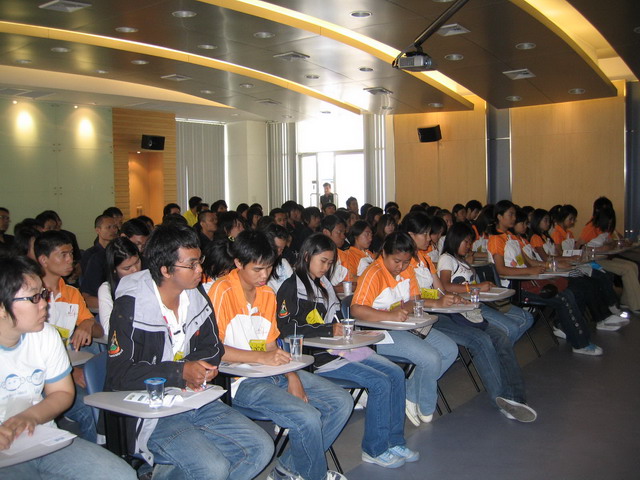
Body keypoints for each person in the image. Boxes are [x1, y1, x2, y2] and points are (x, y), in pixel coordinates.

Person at [105, 224, 273, 479]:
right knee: (212, 467)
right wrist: (180, 371)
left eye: (199, 261)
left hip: (193, 398)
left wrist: (198, 368)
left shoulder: (195, 295)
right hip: (151, 411)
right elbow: (119, 374)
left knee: (260, 447)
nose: (200, 270)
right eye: (192, 265)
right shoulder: (131, 306)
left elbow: (213, 347)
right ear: (165, 270)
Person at [207, 230, 352, 480]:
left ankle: (289, 469)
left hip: (272, 370)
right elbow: (214, 351)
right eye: (257, 269)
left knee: (341, 402)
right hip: (238, 381)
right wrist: (262, 358)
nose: (265, 275)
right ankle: (314, 475)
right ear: (238, 263)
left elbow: (271, 345)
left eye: (269, 267)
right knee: (307, 417)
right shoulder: (222, 291)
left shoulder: (266, 294)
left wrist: (292, 376)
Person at [277, 233, 416, 469]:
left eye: (330, 262)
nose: (326, 267)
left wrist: (354, 332)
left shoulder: (323, 284)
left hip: (339, 349)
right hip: (315, 359)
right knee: (380, 382)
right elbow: (285, 329)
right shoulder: (291, 287)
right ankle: (374, 449)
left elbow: (337, 319)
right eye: (323, 261)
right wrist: (329, 330)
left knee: (395, 373)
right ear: (307, 256)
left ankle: (394, 441)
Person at [0, 256, 137, 480]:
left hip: (40, 437)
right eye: (34, 298)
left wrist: (31, 417)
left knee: (122, 475)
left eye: (43, 294)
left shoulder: (45, 335)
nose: (44, 304)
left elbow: (62, 393)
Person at [350, 232, 458, 425]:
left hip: (405, 326)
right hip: (378, 333)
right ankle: (425, 404)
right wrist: (390, 315)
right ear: (384, 254)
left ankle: (409, 392)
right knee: (431, 358)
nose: (401, 267)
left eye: (406, 262)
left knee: (450, 350)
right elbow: (356, 310)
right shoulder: (373, 273)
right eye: (396, 261)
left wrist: (436, 303)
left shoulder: (407, 271)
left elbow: (414, 300)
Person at [487, 200, 603, 356]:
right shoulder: (496, 239)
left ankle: (571, 332)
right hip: (514, 285)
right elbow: (500, 269)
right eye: (511, 214)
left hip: (527, 279)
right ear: (499, 217)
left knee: (570, 292)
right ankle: (580, 343)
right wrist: (529, 271)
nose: (514, 218)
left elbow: (529, 261)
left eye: (514, 214)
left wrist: (549, 265)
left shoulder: (511, 237)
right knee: (562, 298)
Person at [35, 231, 103, 442]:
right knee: (88, 408)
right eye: (63, 254)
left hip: (69, 365)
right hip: (43, 377)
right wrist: (69, 373)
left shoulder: (71, 293)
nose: (70, 260)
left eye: (71, 254)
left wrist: (87, 323)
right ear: (44, 260)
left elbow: (99, 332)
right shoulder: (31, 296)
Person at [437, 222, 534, 345]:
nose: (469, 246)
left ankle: (500, 348)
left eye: (470, 242)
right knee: (512, 329)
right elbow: (445, 286)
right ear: (455, 239)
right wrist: (477, 287)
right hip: (464, 307)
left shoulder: (460, 259)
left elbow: (469, 283)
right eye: (466, 242)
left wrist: (484, 285)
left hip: (477, 302)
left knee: (526, 319)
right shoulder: (446, 258)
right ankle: (500, 349)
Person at [97, 237, 141, 335]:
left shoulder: (150, 280)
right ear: (114, 270)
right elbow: (108, 328)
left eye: (137, 262)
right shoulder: (106, 289)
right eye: (127, 268)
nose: (135, 269)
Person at [80, 214, 119, 310]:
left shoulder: (118, 252)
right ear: (98, 230)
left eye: (115, 227)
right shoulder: (91, 254)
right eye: (109, 227)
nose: (113, 230)